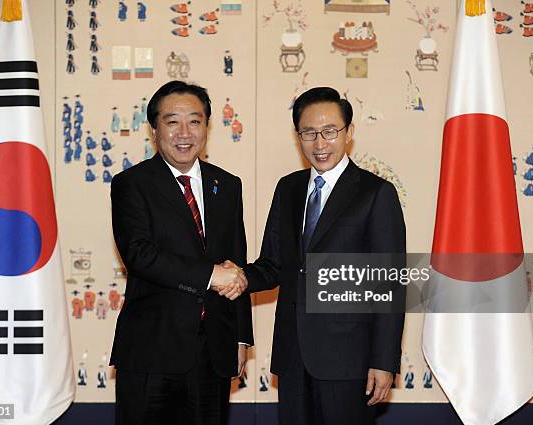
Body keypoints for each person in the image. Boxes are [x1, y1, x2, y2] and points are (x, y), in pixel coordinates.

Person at [236, 87, 406, 424]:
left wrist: (383, 360)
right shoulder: (289, 188)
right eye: (309, 133)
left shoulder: (376, 194)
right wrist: (236, 277)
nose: (319, 143)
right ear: (298, 135)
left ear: (349, 133)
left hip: (349, 358)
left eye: (329, 131)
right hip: (293, 354)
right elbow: (273, 265)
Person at [110, 80, 253, 425]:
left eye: (195, 120)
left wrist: (241, 336)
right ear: (154, 128)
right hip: (152, 350)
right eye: (172, 121)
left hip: (214, 351)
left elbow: (237, 262)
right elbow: (140, 254)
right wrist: (210, 274)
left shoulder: (228, 184)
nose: (184, 132)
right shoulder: (132, 184)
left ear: (207, 126)